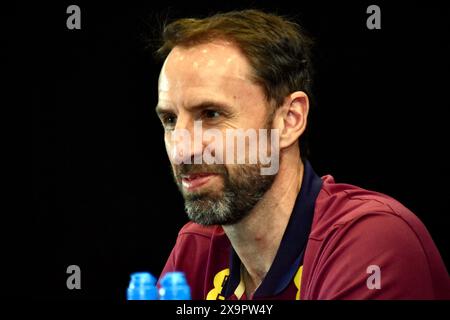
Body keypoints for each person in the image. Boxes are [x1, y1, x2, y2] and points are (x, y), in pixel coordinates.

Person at [154, 9, 450, 299]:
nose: (183, 150)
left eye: (212, 114)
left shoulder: (373, 241)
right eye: (170, 120)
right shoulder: (197, 249)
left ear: (289, 120)